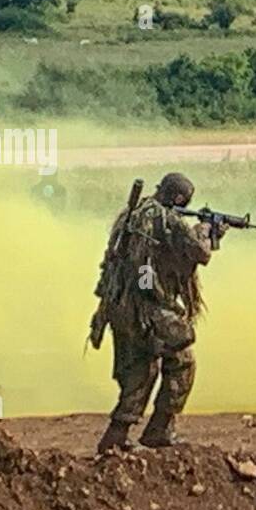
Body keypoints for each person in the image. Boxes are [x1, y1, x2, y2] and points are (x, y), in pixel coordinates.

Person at [95, 172, 225, 453]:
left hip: (119, 305)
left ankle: (117, 434)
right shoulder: (167, 220)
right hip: (147, 307)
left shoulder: (130, 215)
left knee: (143, 367)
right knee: (182, 360)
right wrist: (206, 229)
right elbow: (200, 253)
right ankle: (160, 428)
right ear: (178, 198)